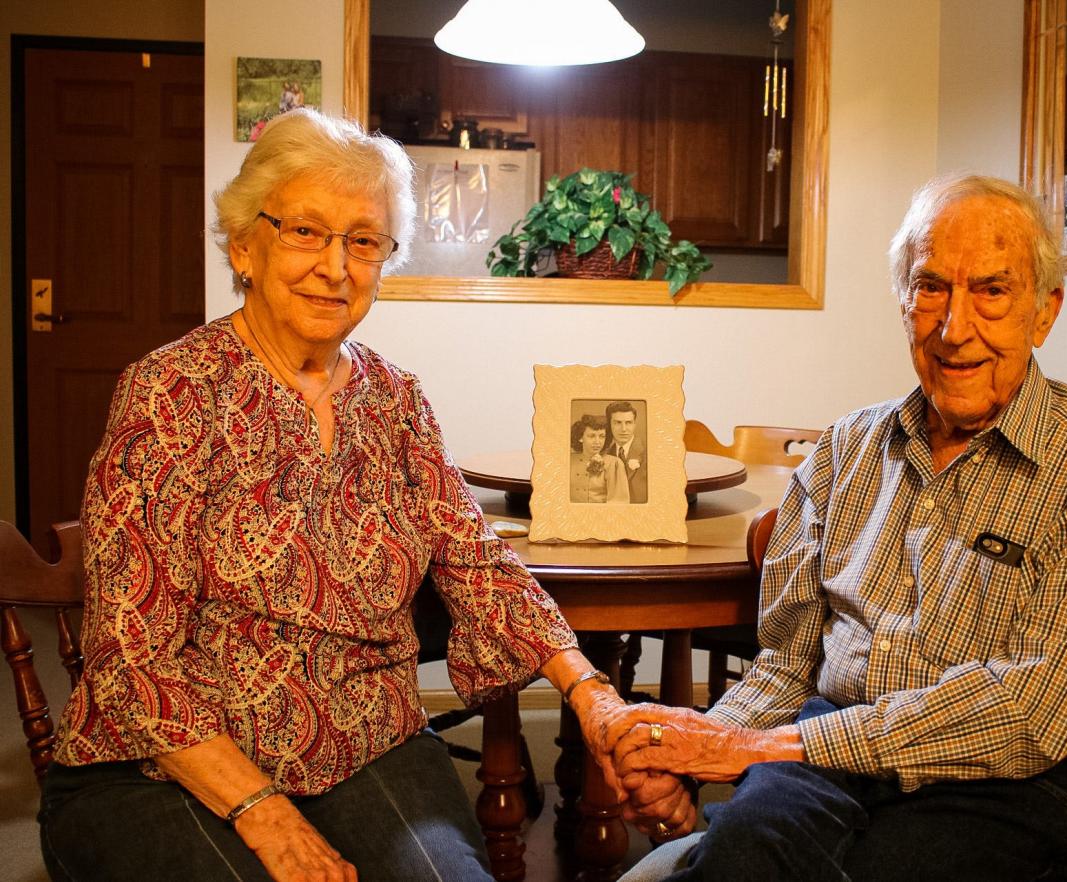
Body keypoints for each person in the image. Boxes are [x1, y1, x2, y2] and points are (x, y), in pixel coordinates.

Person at [38, 108, 631, 882]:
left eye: (363, 240)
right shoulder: (171, 393)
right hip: (162, 762)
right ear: (246, 246)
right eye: (306, 232)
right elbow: (132, 656)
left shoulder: (397, 400)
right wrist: (263, 811)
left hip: (366, 743)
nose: (336, 267)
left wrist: (592, 696)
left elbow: (477, 563)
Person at [605, 174, 1067, 882]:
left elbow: (1035, 712)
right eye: (930, 286)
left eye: (991, 291)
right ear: (903, 300)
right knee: (742, 855)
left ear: (1044, 311)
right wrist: (693, 754)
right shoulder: (845, 451)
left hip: (1013, 783)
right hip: (822, 754)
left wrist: (759, 752)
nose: (953, 328)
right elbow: (785, 665)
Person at [570, 414, 630, 503]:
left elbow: (618, 503)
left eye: (602, 436)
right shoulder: (569, 461)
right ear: (580, 438)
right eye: (591, 436)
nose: (597, 442)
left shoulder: (614, 464)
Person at [606, 400, 647, 503]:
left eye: (628, 423)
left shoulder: (648, 452)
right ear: (609, 425)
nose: (624, 429)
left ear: (634, 424)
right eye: (618, 423)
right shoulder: (606, 454)